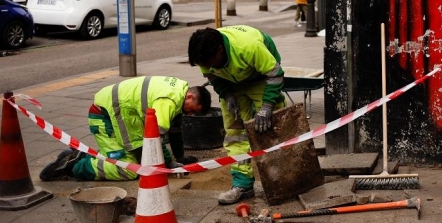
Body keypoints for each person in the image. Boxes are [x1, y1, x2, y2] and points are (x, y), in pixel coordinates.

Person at [39, 77, 211, 181]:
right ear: (190, 96)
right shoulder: (170, 101)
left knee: (130, 157)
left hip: (116, 112)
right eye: (192, 109)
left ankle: (81, 155)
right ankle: (74, 166)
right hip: (106, 116)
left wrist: (179, 158)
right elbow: (153, 140)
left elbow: (175, 132)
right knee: (129, 170)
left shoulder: (179, 89)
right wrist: (167, 166)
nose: (189, 113)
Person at [187, 26, 286, 204]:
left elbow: (275, 74)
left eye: (209, 62)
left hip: (262, 78)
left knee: (273, 128)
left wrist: (267, 106)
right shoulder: (204, 54)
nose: (207, 66)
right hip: (231, 83)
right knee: (235, 135)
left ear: (219, 50)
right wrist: (226, 94)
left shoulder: (248, 47)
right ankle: (243, 185)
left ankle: (284, 180)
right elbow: (212, 76)